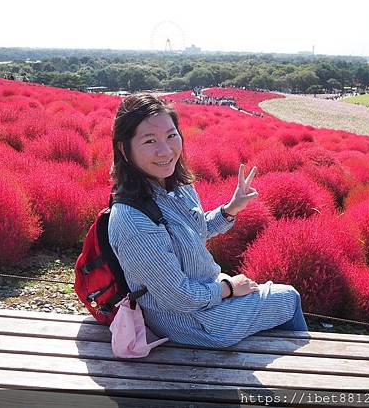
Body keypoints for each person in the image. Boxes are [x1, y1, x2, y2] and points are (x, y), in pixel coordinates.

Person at [108, 93, 307, 348]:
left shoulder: (177, 187)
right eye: (149, 140)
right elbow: (179, 297)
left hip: (204, 296)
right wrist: (229, 288)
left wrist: (230, 209)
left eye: (171, 135)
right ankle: (310, 373)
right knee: (288, 298)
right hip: (190, 321)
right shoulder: (133, 222)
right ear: (124, 149)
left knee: (268, 297)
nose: (166, 150)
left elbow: (194, 231)